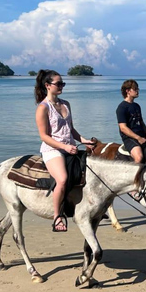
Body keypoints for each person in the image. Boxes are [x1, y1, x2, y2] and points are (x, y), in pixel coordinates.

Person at [35, 69, 93, 232]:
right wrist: (64, 147)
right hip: (52, 149)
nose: (61, 86)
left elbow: (71, 130)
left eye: (63, 83)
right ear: (47, 85)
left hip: (70, 147)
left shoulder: (66, 103)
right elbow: (44, 136)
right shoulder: (43, 108)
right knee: (62, 179)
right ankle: (57, 216)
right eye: (58, 83)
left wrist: (84, 140)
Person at [116, 79, 146, 164]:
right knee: (139, 157)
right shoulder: (122, 108)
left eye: (137, 89)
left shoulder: (137, 106)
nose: (137, 91)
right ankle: (134, 177)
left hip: (142, 136)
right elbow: (123, 128)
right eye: (135, 89)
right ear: (128, 91)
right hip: (129, 138)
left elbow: (141, 122)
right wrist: (138, 138)